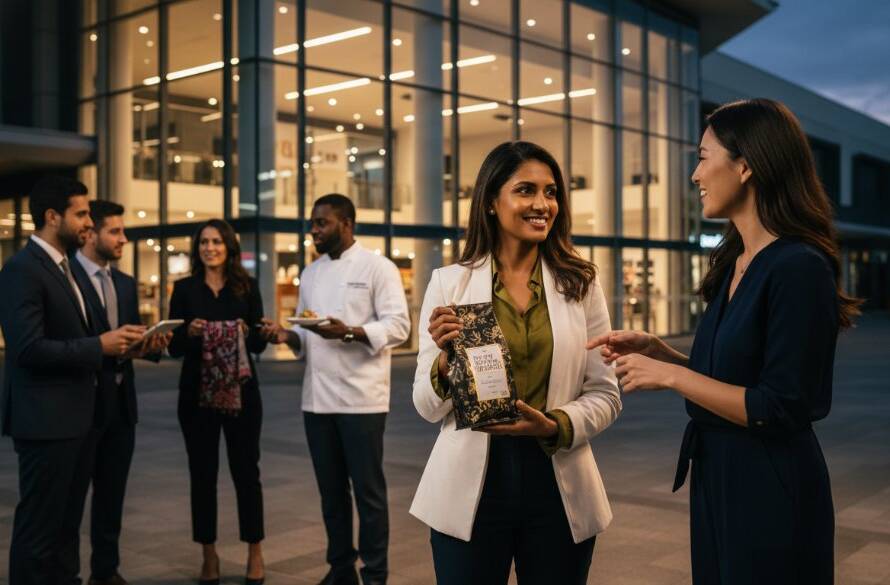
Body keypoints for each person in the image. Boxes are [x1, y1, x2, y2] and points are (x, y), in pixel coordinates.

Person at [588, 98, 860, 585]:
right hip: (719, 475)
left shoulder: (798, 267)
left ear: (746, 165)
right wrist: (661, 352)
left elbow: (777, 405)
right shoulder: (736, 261)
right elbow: (736, 376)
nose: (695, 175)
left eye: (702, 156)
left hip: (769, 483)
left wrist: (673, 376)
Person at [410, 141, 622, 585]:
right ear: (491, 201)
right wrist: (446, 366)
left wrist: (553, 425)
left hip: (557, 484)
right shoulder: (450, 284)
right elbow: (427, 408)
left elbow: (605, 393)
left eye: (551, 192)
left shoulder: (580, 284)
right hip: (471, 489)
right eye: (526, 190)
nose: (543, 204)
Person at [0, 176, 146, 585]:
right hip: (46, 423)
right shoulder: (21, 270)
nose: (87, 222)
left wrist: (121, 346)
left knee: (65, 529)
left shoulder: (61, 267)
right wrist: (99, 346)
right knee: (39, 532)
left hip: (77, 420)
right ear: (52, 217)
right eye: (81, 213)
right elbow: (27, 349)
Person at [262, 194, 410, 585]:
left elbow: (399, 327)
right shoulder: (310, 274)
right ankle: (340, 569)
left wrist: (348, 330)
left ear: (346, 224)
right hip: (317, 399)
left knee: (369, 495)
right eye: (312, 223)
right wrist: (287, 334)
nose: (313, 230)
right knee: (331, 495)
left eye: (321, 223)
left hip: (362, 399)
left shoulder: (379, 268)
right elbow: (307, 336)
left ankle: (375, 575)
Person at [70, 199, 171, 585]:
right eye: (115, 231)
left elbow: (125, 342)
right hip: (80, 407)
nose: (123, 239)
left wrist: (148, 346)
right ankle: (69, 574)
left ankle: (106, 571)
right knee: (72, 498)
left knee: (111, 497)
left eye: (122, 231)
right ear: (90, 233)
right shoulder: (69, 280)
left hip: (120, 407)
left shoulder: (125, 283)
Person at [168, 219, 268, 585]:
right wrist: (189, 333)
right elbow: (174, 346)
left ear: (229, 246)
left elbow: (258, 342)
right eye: (203, 242)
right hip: (196, 395)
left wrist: (248, 331)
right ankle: (208, 555)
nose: (209, 247)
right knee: (202, 476)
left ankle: (254, 551)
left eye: (216, 241)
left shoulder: (247, 286)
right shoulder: (183, 289)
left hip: (242, 394)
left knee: (247, 474)